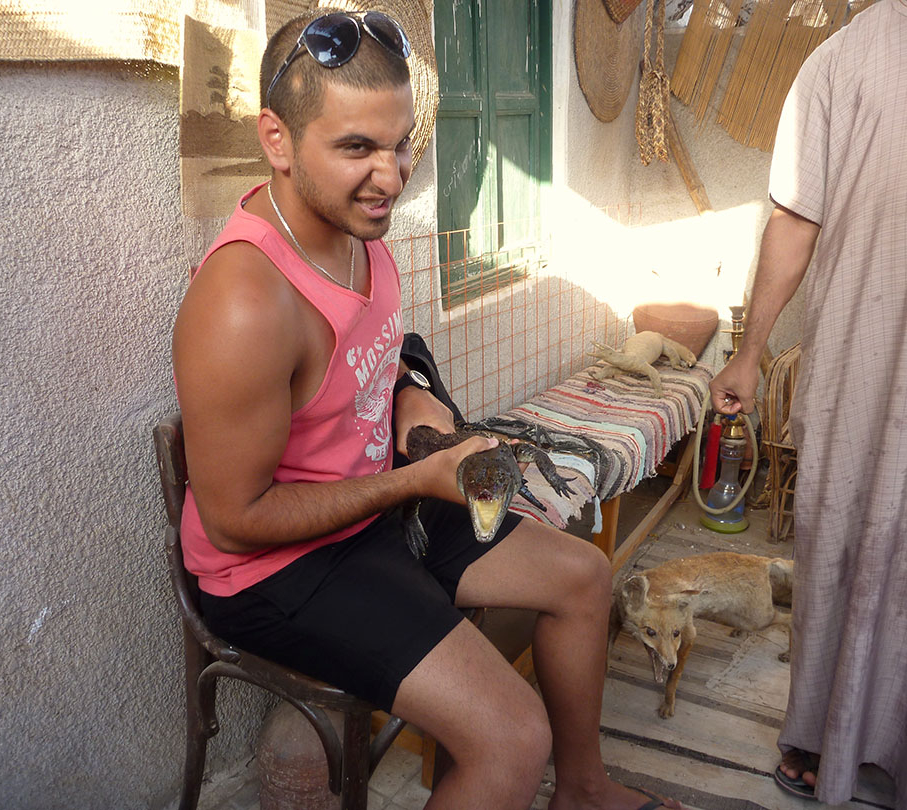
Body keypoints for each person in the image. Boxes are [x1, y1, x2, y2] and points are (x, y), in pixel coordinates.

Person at [172, 10, 682, 810]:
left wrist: (415, 405)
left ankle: (582, 792)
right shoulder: (244, 303)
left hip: (367, 512)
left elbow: (386, 354)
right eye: (356, 149)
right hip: (275, 569)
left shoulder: (357, 229)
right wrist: (414, 484)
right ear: (277, 139)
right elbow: (237, 521)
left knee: (583, 576)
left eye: (401, 141)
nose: (393, 173)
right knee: (512, 736)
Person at [709, 0, 907, 806]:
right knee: (849, 527)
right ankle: (827, 732)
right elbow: (795, 217)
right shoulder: (845, 55)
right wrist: (750, 353)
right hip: (870, 356)